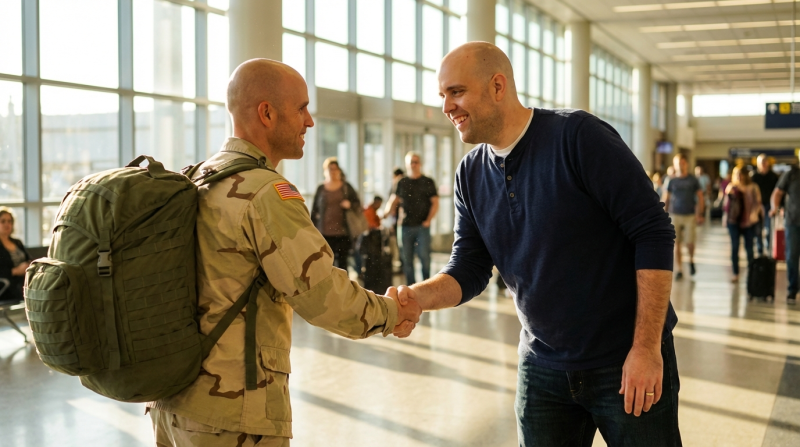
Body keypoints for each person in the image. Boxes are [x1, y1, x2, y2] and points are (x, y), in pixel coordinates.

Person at [399, 42, 680, 446]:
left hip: (625, 359)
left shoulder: (578, 137)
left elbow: (652, 231)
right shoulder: (470, 174)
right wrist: (414, 297)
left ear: (498, 86)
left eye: (456, 92)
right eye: (442, 95)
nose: (447, 107)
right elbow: (470, 268)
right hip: (543, 367)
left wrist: (647, 348)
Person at [148, 59, 421, 447]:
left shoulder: (199, 177)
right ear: (266, 113)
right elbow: (323, 296)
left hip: (173, 402)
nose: (309, 122)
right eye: (301, 109)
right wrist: (393, 313)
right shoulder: (266, 193)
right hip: (233, 414)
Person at [385, 152, 439, 285]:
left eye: (416, 162)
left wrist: (428, 220)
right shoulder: (401, 182)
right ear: (407, 164)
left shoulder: (428, 181)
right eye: (411, 162)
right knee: (406, 259)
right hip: (404, 226)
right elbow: (394, 200)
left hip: (422, 226)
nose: (413, 165)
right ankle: (412, 288)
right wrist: (385, 213)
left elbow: (435, 203)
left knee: (424, 257)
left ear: (420, 164)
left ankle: (426, 285)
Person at [311, 157, 361, 271]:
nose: (332, 171)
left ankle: (343, 288)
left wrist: (349, 204)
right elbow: (314, 210)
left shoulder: (346, 187)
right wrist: (311, 229)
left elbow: (357, 203)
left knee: (343, 264)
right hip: (324, 232)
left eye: (335, 169)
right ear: (325, 171)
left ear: (339, 171)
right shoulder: (321, 188)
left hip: (343, 232)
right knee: (327, 263)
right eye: (330, 169)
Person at [663, 154, 705, 279]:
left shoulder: (693, 180)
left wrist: (700, 214)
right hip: (675, 214)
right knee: (677, 244)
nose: (681, 165)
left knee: (690, 242)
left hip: (689, 215)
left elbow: (700, 197)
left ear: (686, 164)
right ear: (675, 165)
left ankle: (691, 260)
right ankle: (679, 269)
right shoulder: (671, 180)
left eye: (683, 162)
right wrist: (663, 214)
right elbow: (667, 198)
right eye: (678, 163)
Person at [723, 166, 762, 282]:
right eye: (737, 174)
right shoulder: (731, 187)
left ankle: (751, 274)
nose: (739, 177)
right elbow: (726, 206)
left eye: (741, 174)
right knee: (735, 247)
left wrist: (753, 216)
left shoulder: (753, 187)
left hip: (749, 222)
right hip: (734, 222)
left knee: (749, 249)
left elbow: (757, 204)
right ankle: (735, 273)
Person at [771, 160, 800, 304]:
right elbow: (778, 192)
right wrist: (774, 209)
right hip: (793, 221)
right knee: (792, 256)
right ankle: (793, 289)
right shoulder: (791, 174)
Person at [0, 208, 31, 302]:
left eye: (9, 221)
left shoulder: (17, 242)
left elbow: (29, 259)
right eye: (3, 221)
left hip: (23, 279)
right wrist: (15, 271)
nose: (7, 224)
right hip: (8, 284)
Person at [752, 154, 779, 256]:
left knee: (768, 229)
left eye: (765, 161)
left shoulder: (773, 176)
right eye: (761, 162)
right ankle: (760, 251)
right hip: (757, 206)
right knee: (758, 230)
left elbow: (778, 192)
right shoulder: (754, 177)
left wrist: (775, 207)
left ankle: (768, 251)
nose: (763, 164)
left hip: (769, 206)